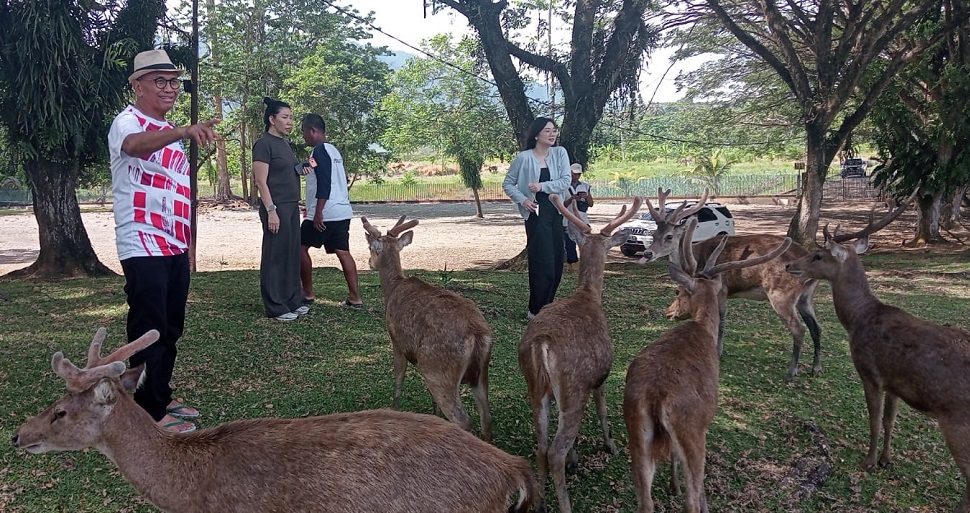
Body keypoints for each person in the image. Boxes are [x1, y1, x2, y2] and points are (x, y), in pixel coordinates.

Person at [108, 49, 220, 433]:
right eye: (160, 81)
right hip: (142, 243)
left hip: (173, 245)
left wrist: (185, 246)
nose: (170, 88)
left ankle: (159, 392)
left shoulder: (169, 134)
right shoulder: (127, 122)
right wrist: (184, 131)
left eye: (173, 82)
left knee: (171, 327)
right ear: (137, 86)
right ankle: (147, 411)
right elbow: (134, 146)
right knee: (149, 328)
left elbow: (177, 192)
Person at [502, 117, 571, 320]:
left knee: (557, 262)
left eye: (554, 130)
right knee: (542, 262)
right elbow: (508, 184)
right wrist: (523, 200)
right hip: (536, 215)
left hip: (556, 212)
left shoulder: (560, 153)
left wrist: (542, 186)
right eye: (547, 130)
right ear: (536, 135)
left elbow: (565, 181)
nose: (552, 134)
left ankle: (547, 307)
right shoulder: (524, 158)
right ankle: (535, 311)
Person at [252, 97, 309, 321]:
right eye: (285, 117)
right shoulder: (263, 144)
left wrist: (303, 168)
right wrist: (271, 211)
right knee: (275, 256)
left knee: (291, 255)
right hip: (276, 207)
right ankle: (276, 306)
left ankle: (293, 301)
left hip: (292, 205)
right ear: (271, 119)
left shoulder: (284, 144)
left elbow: (288, 170)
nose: (289, 122)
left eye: (291, 117)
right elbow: (260, 181)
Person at [298, 113, 362, 307]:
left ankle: (307, 292)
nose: (303, 137)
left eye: (304, 132)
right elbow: (310, 169)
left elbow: (325, 183)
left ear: (312, 130)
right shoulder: (333, 151)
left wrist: (318, 212)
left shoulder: (319, 151)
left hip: (326, 213)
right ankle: (355, 297)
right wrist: (296, 167)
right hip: (342, 212)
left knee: (299, 248)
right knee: (343, 252)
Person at [562, 162, 593, 272]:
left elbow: (591, 204)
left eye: (578, 174)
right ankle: (573, 263)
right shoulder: (563, 186)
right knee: (569, 243)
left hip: (582, 218)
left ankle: (585, 263)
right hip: (567, 218)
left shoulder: (585, 186)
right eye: (574, 174)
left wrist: (586, 196)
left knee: (585, 242)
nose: (576, 176)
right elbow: (561, 205)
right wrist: (571, 199)